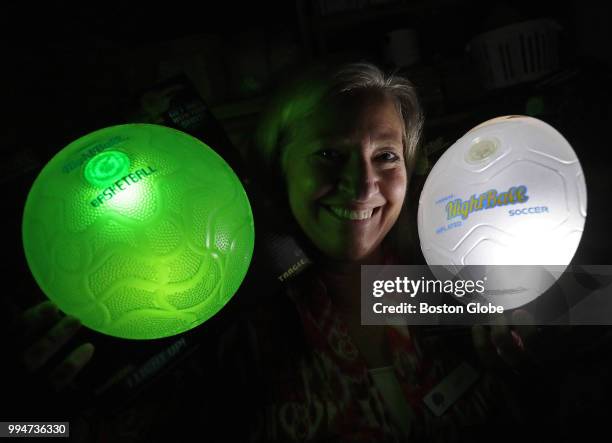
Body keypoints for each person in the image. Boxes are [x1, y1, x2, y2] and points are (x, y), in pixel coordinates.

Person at [8, 61, 562, 442]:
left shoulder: (443, 282)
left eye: (386, 156)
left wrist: (536, 338)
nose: (362, 184)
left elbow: (592, 309)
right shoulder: (225, 317)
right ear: (279, 168)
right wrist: (30, 416)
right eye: (328, 154)